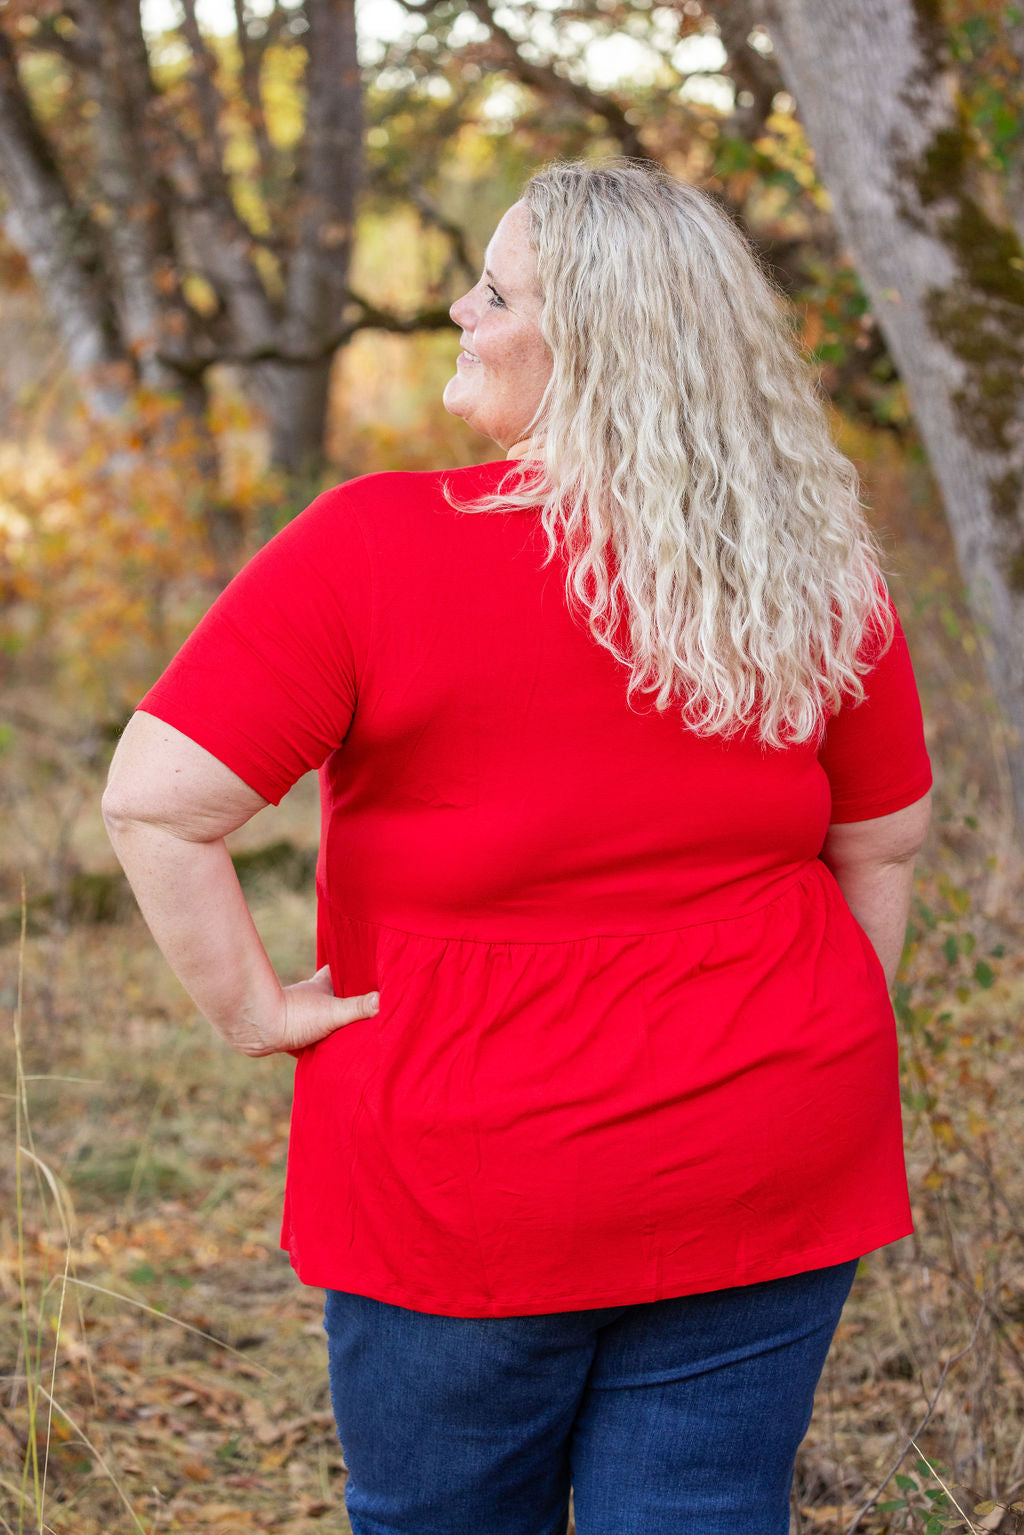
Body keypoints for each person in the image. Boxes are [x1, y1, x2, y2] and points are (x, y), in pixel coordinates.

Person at [102, 157, 933, 1535]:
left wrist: (256, 1009)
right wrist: (802, 1047)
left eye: (494, 290)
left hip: (462, 1176)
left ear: (595, 340)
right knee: (704, 1512)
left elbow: (152, 802)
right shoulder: (816, 562)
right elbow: (884, 849)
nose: (458, 307)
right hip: (771, 1138)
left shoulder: (371, 548)